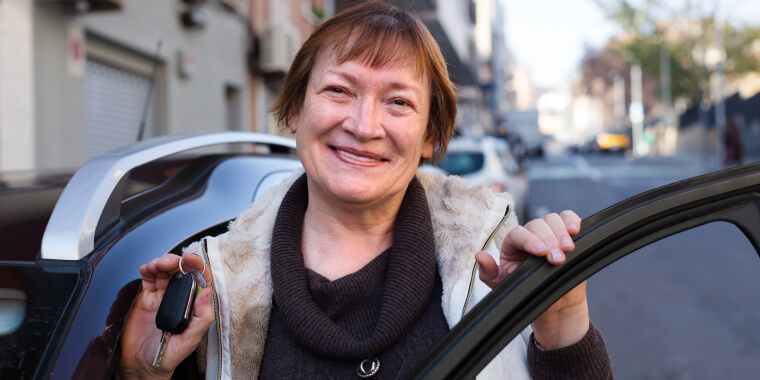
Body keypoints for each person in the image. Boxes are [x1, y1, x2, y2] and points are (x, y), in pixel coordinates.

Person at [118, 2, 613, 379]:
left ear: (429, 137)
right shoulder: (211, 287)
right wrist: (143, 374)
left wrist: (562, 321)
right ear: (295, 111)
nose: (363, 124)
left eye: (398, 102)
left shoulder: (494, 265)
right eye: (338, 90)